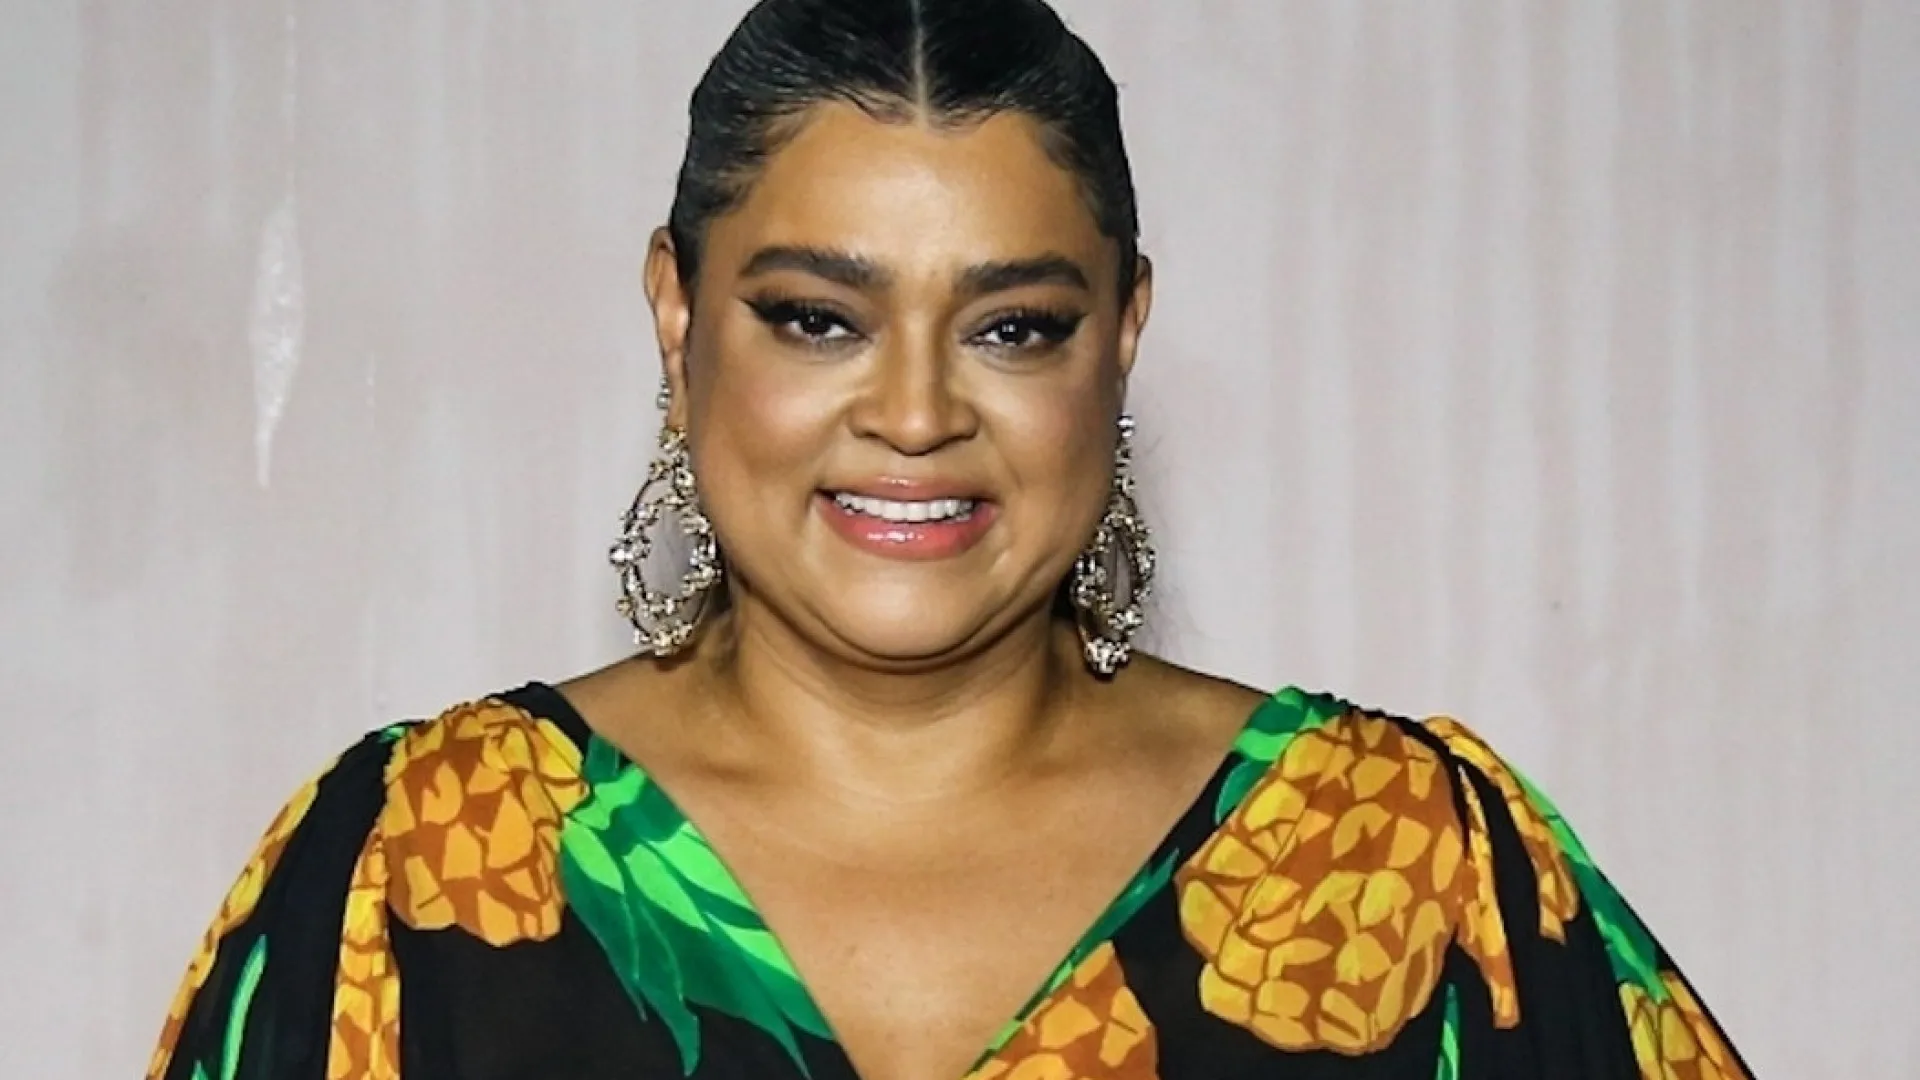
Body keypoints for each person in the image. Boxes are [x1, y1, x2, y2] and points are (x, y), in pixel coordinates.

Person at [146, 1, 1751, 1078]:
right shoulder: (411, 872)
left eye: (1013, 327)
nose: (914, 413)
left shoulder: (1409, 866)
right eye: (817, 317)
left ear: (1122, 335)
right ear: (677, 315)